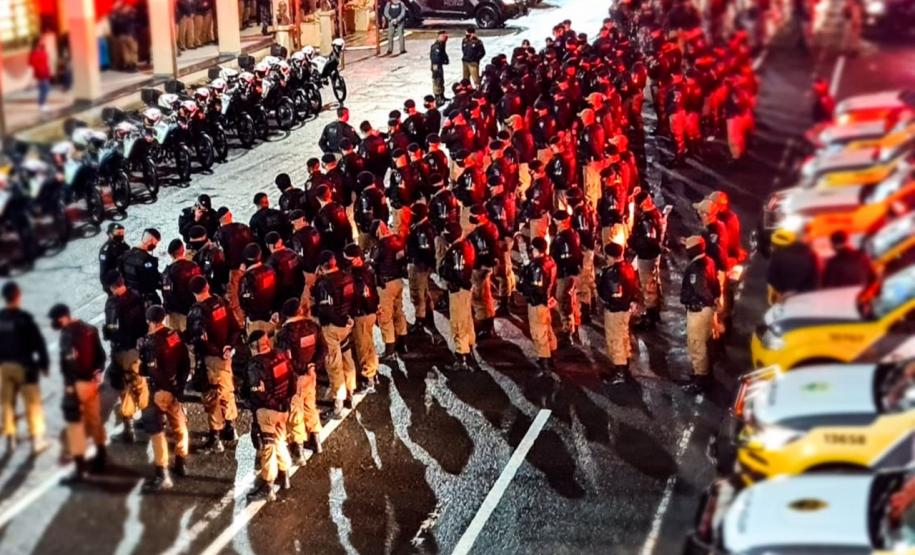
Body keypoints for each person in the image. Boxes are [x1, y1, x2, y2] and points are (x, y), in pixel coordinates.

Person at [49, 304, 107, 481]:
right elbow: (101, 356)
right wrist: (98, 371)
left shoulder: (67, 336)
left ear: (62, 318)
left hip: (76, 386)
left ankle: (80, 467)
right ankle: (101, 456)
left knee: (75, 426)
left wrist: (69, 387)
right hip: (92, 383)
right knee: (94, 420)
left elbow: (68, 365)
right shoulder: (90, 329)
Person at [138, 305, 191, 493]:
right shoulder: (174, 336)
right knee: (179, 425)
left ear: (151, 322)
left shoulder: (150, 342)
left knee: (156, 430)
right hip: (176, 389)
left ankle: (162, 473)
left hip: (160, 391)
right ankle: (181, 461)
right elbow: (185, 362)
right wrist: (179, 387)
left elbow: (149, 370)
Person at [186, 276, 240, 452]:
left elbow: (199, 339)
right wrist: (228, 348)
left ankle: (215, 437)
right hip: (226, 357)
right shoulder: (221, 302)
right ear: (207, 286)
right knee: (227, 391)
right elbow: (235, 327)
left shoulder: (197, 311)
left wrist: (217, 351)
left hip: (210, 359)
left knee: (211, 397)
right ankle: (231, 428)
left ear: (194, 293)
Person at [244, 330, 295, 502]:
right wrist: (284, 404)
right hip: (284, 409)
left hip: (267, 411)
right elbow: (292, 381)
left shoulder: (256, 365)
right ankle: (285, 475)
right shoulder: (281, 356)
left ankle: (268, 486)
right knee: (279, 440)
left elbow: (258, 393)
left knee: (268, 447)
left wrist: (270, 405)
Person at [0, 282, 49, 454]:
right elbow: (38, 342)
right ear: (18, 296)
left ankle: (10, 437)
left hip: (5, 367)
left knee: (7, 402)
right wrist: (44, 364)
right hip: (25, 367)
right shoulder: (24, 318)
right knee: (32, 404)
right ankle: (36, 440)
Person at [275, 298, 325, 463]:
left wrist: (301, 369)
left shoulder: (285, 333)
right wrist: (313, 366)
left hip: (295, 378)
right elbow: (322, 349)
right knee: (310, 405)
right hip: (311, 376)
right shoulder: (313, 327)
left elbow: (285, 359)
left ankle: (298, 449)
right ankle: (316, 439)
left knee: (295, 411)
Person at [102, 271, 149, 443]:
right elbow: (144, 323)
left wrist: (108, 334)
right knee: (140, 383)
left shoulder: (113, 303)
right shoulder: (137, 297)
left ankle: (128, 425)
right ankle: (146, 416)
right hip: (137, 348)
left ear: (113, 287)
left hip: (122, 350)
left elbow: (111, 330)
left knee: (124, 386)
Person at [312, 251, 357, 418]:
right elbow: (353, 300)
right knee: (347, 357)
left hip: (332, 328)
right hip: (347, 324)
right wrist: (348, 319)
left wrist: (339, 321)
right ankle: (351, 393)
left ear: (322, 267)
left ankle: (338, 403)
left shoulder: (324, 284)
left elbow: (326, 311)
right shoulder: (347, 277)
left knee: (334, 364)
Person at [680, 236, 720, 393]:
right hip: (705, 310)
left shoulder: (697, 267)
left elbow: (701, 290)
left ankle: (700, 380)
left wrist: (707, 301)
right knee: (701, 343)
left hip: (698, 311)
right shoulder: (708, 261)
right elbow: (715, 285)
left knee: (697, 345)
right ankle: (701, 374)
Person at [596, 243, 641, 385]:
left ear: (610, 256)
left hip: (615, 311)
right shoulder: (628, 267)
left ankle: (620, 371)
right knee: (623, 337)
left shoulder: (611, 274)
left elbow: (608, 295)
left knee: (615, 340)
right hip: (625, 310)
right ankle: (624, 365)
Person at [343, 244, 381, 391]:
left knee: (363, 348)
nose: (346, 262)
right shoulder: (367, 271)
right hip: (369, 314)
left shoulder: (358, 276)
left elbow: (364, 297)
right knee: (369, 344)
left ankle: (369, 378)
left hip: (362, 315)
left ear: (357, 259)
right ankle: (373, 370)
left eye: (349, 260)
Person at [518, 237, 558, 376]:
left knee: (538, 333)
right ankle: (551, 354)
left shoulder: (537, 267)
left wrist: (522, 285)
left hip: (537, 303)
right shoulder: (550, 261)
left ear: (536, 249)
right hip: (546, 301)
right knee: (547, 329)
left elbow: (535, 288)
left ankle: (545, 363)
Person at [439, 225, 476, 371]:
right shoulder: (467, 244)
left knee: (458, 323)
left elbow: (456, 272)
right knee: (467, 319)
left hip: (458, 290)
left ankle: (462, 357)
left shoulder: (455, 251)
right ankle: (470, 346)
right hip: (466, 288)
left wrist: (447, 276)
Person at [371, 220, 408, 362]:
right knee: (399, 312)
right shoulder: (398, 240)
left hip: (385, 285)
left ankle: (390, 350)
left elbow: (372, 266)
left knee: (385, 317)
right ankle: (403, 344)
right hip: (398, 281)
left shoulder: (380, 246)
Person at [550, 210, 583, 345]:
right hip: (574, 272)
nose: (554, 223)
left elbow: (555, 258)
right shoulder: (574, 234)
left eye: (556, 220)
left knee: (564, 301)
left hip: (564, 274)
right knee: (572, 298)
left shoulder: (559, 239)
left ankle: (568, 330)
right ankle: (575, 324)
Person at [766, 229, 819, 305]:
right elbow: (814, 279)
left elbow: (771, 279)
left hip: (784, 298)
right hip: (805, 298)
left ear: (777, 245)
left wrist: (784, 292)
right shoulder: (810, 255)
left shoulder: (777, 257)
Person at [161, 239, 202, 333]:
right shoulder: (194, 266)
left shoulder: (168, 272)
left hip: (175, 312)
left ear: (170, 254)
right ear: (183, 250)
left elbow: (166, 293)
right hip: (192, 310)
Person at [239, 243, 279, 339]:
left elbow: (243, 302)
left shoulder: (247, 279)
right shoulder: (271, 269)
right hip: (272, 316)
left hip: (255, 321)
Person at [120, 228, 162, 306]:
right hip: (146, 301)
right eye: (156, 243)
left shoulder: (125, 256)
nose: (155, 246)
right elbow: (154, 282)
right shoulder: (149, 260)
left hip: (129, 298)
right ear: (151, 241)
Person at [28, 39, 52, 113]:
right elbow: (31, 63)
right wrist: (40, 68)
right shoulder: (34, 53)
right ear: (37, 43)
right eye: (40, 41)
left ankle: (42, 104)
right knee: (45, 89)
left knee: (45, 89)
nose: (42, 42)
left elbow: (46, 58)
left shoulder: (42, 51)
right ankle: (42, 104)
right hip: (40, 73)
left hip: (45, 72)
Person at [430, 30, 450, 106]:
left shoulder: (442, 44)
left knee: (441, 81)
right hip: (436, 66)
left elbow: (443, 53)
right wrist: (435, 70)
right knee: (437, 81)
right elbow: (434, 59)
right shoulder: (436, 46)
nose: (445, 38)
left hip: (439, 65)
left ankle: (442, 96)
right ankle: (438, 98)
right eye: (444, 37)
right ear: (439, 37)